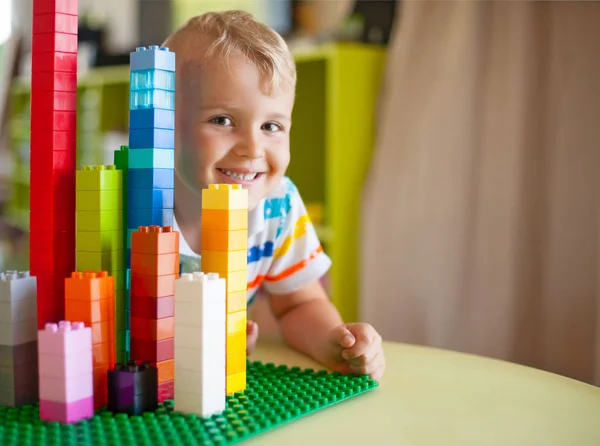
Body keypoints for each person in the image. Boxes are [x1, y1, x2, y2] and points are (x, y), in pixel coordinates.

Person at [162, 10, 385, 381]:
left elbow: (299, 304)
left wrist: (334, 341)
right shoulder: (128, 205)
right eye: (222, 120)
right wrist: (187, 344)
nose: (252, 147)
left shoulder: (276, 206)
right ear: (164, 125)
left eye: (271, 126)